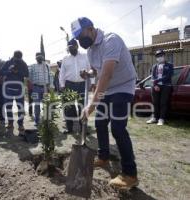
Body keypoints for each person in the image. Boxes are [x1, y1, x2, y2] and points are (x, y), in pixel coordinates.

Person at [73, 17, 139, 189]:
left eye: (81, 36)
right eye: (77, 39)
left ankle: (130, 174)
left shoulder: (111, 40)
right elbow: (97, 70)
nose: (80, 41)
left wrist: (91, 106)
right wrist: (88, 72)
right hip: (108, 89)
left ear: (90, 28)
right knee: (100, 123)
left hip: (123, 86)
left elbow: (107, 74)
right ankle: (103, 157)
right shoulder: (90, 51)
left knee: (117, 128)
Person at [59, 39, 91, 134]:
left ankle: (84, 128)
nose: (71, 49)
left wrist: (92, 83)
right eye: (69, 48)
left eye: (72, 47)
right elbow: (62, 73)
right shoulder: (65, 58)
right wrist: (62, 84)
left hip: (82, 85)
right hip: (69, 85)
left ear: (77, 46)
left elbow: (90, 70)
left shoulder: (85, 56)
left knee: (83, 107)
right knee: (69, 107)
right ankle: (69, 129)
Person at [0, 51, 29, 132]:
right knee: (8, 106)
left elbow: (27, 74)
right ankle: (10, 123)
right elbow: (1, 72)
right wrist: (10, 71)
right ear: (14, 56)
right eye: (17, 58)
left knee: (21, 107)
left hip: (19, 89)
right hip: (8, 89)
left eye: (19, 58)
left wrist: (18, 72)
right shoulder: (8, 63)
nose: (18, 60)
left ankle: (20, 124)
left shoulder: (23, 63)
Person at [146, 50, 173, 126]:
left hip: (166, 86)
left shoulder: (169, 65)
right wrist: (155, 85)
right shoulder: (154, 66)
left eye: (161, 55)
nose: (159, 57)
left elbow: (168, 76)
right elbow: (152, 76)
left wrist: (157, 80)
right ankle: (154, 118)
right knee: (155, 103)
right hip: (155, 86)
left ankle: (161, 119)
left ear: (164, 56)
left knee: (163, 103)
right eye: (157, 56)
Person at [28, 53, 52, 126]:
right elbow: (29, 77)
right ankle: (37, 121)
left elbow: (50, 76)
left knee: (46, 104)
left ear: (43, 57)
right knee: (36, 105)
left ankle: (46, 120)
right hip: (36, 88)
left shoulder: (47, 65)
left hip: (45, 89)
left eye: (40, 56)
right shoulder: (32, 66)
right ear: (35, 58)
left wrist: (50, 86)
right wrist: (32, 85)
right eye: (37, 57)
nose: (39, 58)